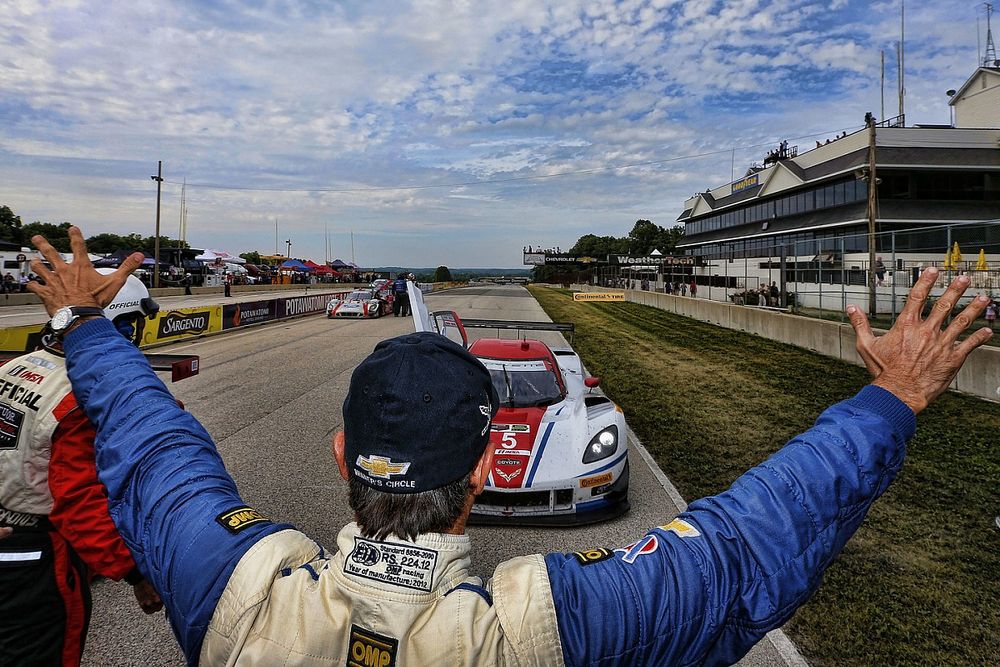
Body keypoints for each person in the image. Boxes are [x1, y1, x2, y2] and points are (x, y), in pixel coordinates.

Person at [25, 228, 993, 666]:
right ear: (484, 468)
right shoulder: (548, 624)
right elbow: (746, 545)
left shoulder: (232, 591)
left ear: (338, 452)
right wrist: (895, 393)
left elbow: (154, 450)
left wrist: (85, 325)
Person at [0, 268, 162, 666]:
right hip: (34, 558)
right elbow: (79, 504)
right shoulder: (84, 396)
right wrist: (135, 572)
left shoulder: (16, 367)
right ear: (120, 324)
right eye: (134, 324)